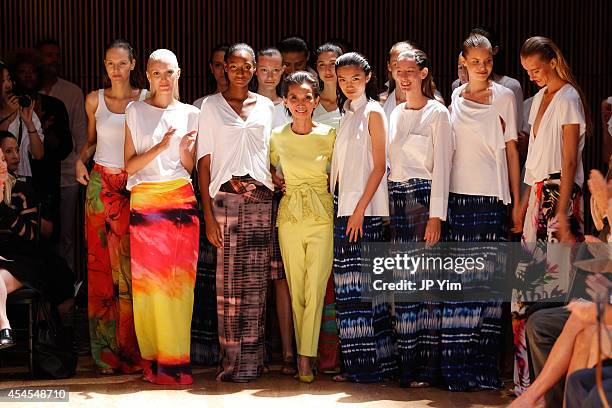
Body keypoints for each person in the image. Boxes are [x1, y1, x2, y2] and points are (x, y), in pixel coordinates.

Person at [513, 36, 590, 397]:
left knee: (551, 288)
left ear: (553, 61)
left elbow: (570, 158)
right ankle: (529, 381)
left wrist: (560, 212)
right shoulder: (539, 99)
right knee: (527, 289)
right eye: (528, 72)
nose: (534, 77)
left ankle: (551, 388)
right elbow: (534, 160)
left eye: (538, 70)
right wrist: (524, 200)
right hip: (538, 192)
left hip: (559, 194)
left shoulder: (569, 97)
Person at [447, 33, 521, 391]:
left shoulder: (505, 96)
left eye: (487, 60)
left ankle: (482, 370)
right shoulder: (455, 96)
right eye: (475, 61)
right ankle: (457, 370)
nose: (482, 67)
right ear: (463, 61)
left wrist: (516, 201)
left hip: (491, 198)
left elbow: (511, 152)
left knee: (488, 285)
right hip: (458, 198)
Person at [197, 43, 275, 383]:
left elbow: (272, 152)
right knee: (228, 290)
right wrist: (208, 215)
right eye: (233, 66)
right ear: (223, 69)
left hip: (261, 199)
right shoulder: (211, 107)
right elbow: (203, 164)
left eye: (246, 66)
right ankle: (230, 364)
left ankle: (252, 364)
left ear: (255, 68)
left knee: (256, 288)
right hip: (225, 200)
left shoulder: (268, 106)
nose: (240, 72)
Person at [124, 48, 199, 385]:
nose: (164, 79)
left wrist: (183, 152)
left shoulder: (191, 113)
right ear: (148, 77)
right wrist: (159, 146)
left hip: (180, 203)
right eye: (157, 73)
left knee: (178, 287)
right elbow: (130, 166)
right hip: (146, 205)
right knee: (148, 289)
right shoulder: (135, 111)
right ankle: (153, 360)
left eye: (169, 72)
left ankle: (175, 363)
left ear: (178, 73)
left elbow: (189, 168)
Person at [75, 40, 147, 374]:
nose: (115, 70)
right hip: (100, 185)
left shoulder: (144, 99)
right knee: (100, 269)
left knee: (132, 269)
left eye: (121, 63)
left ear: (133, 64)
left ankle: (134, 351)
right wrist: (79, 160)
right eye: (109, 63)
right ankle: (105, 354)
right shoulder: (94, 100)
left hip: (133, 186)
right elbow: (91, 142)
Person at [387, 49, 453, 388]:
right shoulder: (396, 112)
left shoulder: (438, 113)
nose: (405, 77)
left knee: (426, 288)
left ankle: (426, 369)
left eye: (411, 71)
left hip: (424, 202)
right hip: (398, 204)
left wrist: (436, 216)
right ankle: (407, 365)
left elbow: (442, 167)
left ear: (424, 73)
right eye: (400, 71)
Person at [330, 52, 397, 383]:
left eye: (355, 78)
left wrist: (359, 210)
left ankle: (375, 367)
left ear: (368, 77)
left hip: (363, 212)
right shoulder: (347, 112)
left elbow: (380, 165)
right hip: (344, 209)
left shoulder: (373, 112)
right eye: (342, 79)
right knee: (348, 292)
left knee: (367, 291)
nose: (348, 85)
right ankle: (357, 366)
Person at [270, 71, 336, 383]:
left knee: (316, 288)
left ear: (316, 101)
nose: (300, 102)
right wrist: (274, 177)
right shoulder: (277, 137)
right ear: (284, 100)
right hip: (290, 219)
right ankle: (301, 354)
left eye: (307, 97)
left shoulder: (329, 135)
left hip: (322, 217)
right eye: (293, 97)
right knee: (296, 288)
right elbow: (267, 169)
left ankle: (307, 356)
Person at [0, 142, 75, 348]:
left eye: (1, 159)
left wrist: (2, 209)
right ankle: (4, 326)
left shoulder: (20, 191)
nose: (3, 164)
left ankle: (4, 326)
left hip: (20, 257)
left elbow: (33, 236)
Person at [254, 45, 295, 374]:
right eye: (263, 69)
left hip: (284, 197)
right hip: (253, 197)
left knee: (282, 278)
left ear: (283, 72)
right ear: (255, 70)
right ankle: (255, 349)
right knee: (255, 278)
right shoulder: (246, 105)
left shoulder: (288, 108)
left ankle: (287, 351)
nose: (269, 75)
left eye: (275, 69)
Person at [7, 49, 73, 245]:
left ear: (39, 75)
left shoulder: (55, 106)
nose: (27, 76)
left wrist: (41, 129)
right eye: (22, 71)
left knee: (49, 236)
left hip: (46, 181)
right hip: (12, 181)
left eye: (32, 71)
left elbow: (65, 148)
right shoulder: (7, 107)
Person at [37, 38, 88, 274]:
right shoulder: (29, 92)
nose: (53, 60)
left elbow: (80, 135)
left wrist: (79, 166)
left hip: (67, 174)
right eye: (48, 55)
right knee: (39, 233)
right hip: (36, 175)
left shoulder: (72, 91)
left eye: (56, 55)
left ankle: (66, 287)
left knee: (66, 235)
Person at [312, 42, 343, 374]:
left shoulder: (356, 105)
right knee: (323, 279)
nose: (328, 69)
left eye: (333, 63)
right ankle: (325, 356)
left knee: (347, 278)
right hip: (318, 197)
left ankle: (351, 354)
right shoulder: (311, 106)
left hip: (347, 198)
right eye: (322, 64)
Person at [0, 62, 44, 184]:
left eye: (9, 79)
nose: (8, 84)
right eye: (2, 81)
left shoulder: (22, 109)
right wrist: (6, 116)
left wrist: (29, 123)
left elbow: (39, 154)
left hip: (19, 179)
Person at [193, 43, 229, 108]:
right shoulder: (200, 104)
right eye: (218, 65)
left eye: (227, 65)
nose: (223, 71)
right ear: (211, 68)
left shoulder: (250, 104)